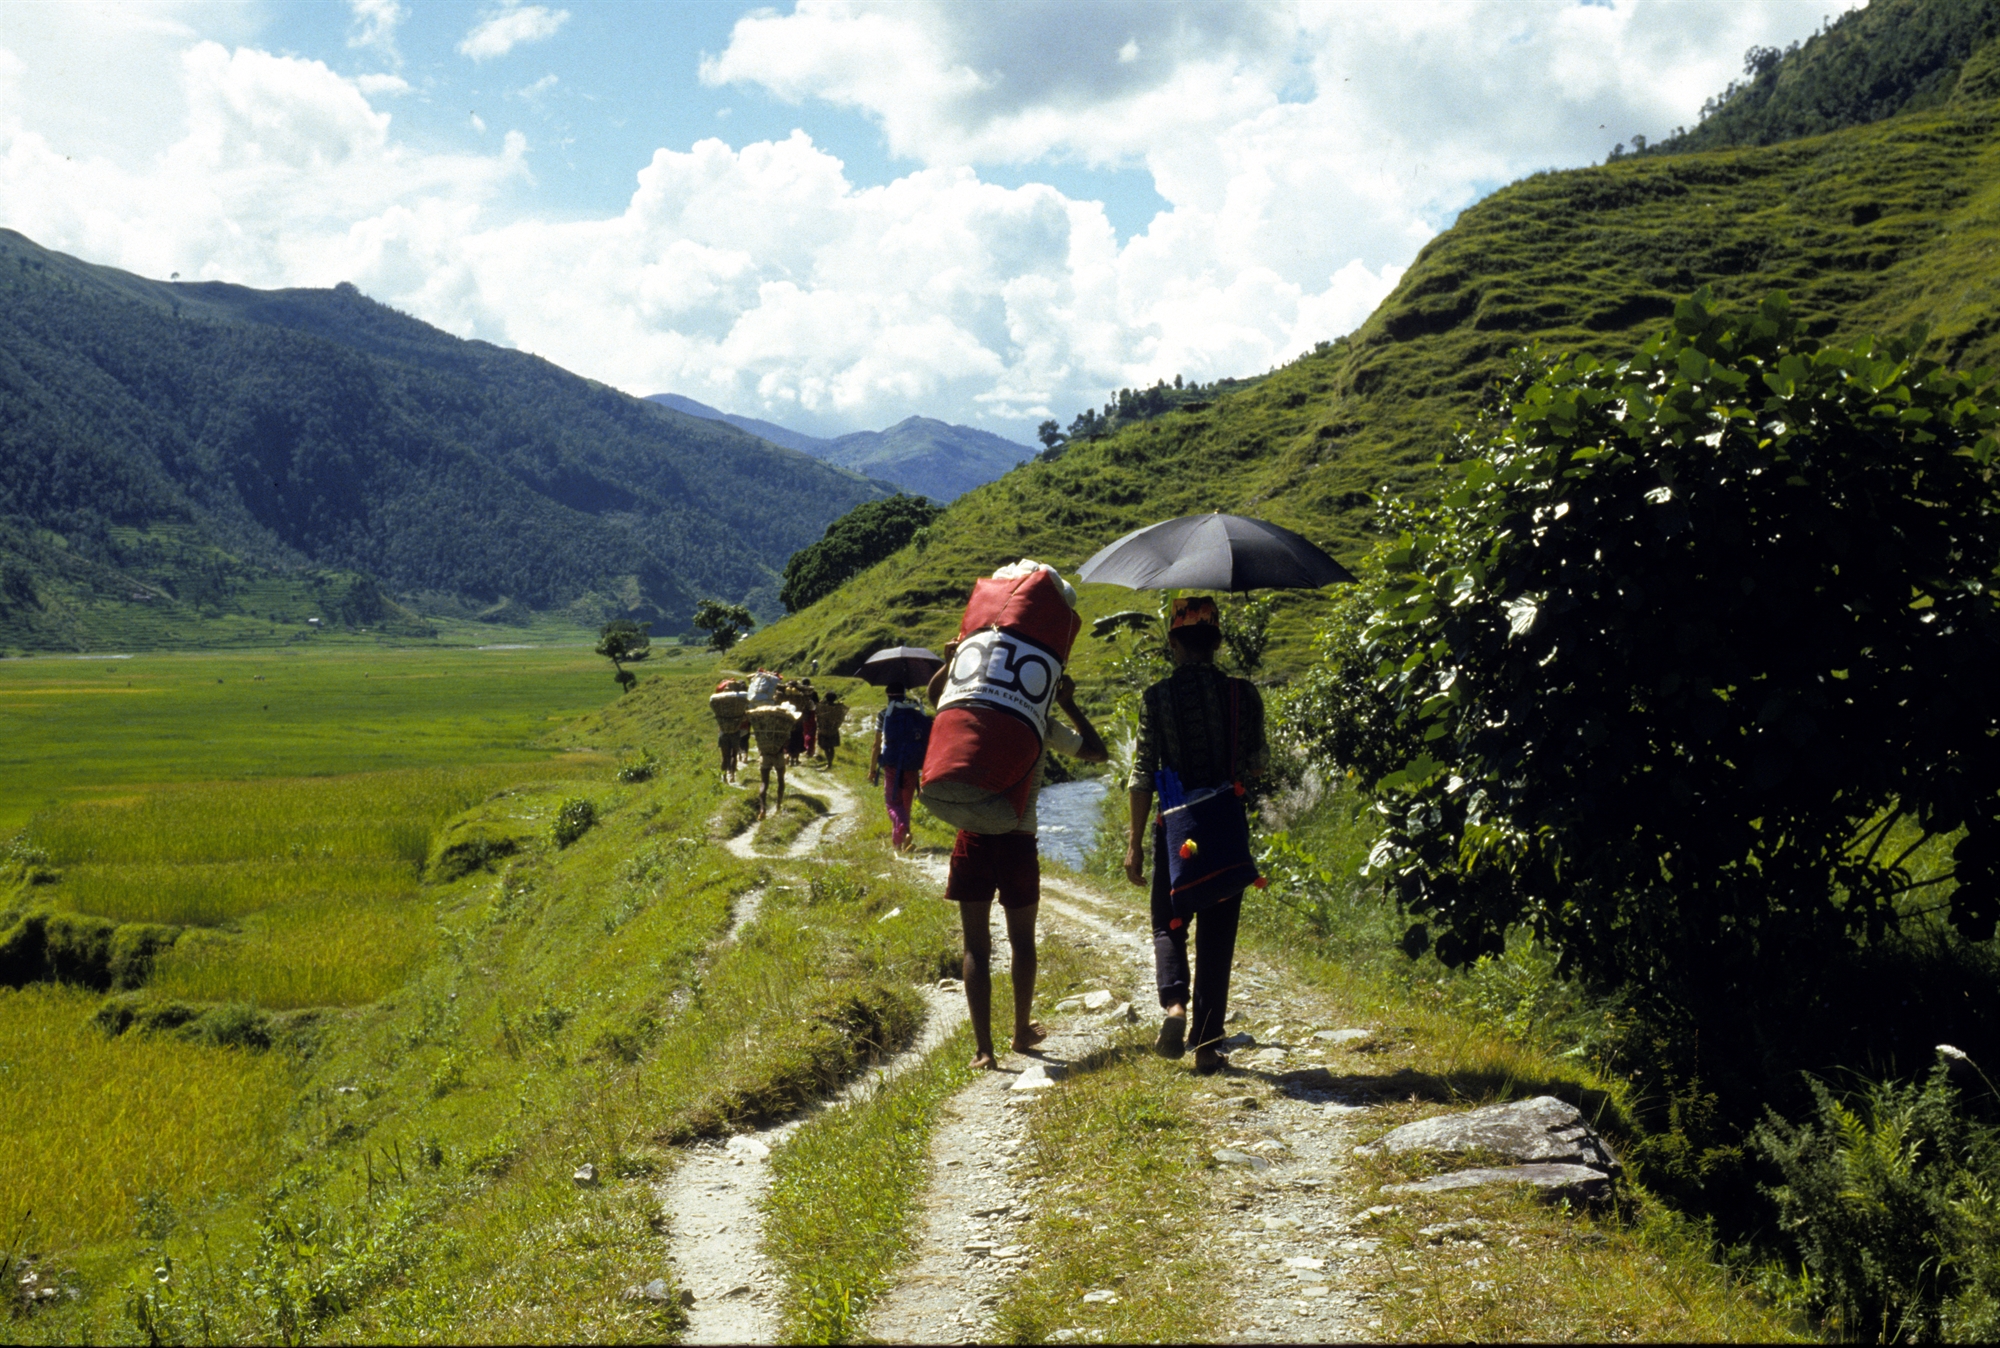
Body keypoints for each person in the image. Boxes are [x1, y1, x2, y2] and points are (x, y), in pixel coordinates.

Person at [927, 649, 1108, 1070]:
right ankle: (1021, 1029)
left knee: (975, 945)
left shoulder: (973, 709)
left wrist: (954, 662)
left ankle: (983, 1050)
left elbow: (935, 695)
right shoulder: (1040, 723)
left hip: (971, 836)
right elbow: (1096, 753)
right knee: (1022, 940)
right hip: (1018, 839)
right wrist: (1068, 702)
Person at [1123, 595, 1268, 1074]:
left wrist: (1133, 846)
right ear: (1218, 641)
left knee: (1169, 921)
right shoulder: (1242, 695)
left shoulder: (1156, 698)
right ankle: (1207, 1046)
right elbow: (1257, 763)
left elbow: (1142, 774)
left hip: (1177, 829)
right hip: (1224, 825)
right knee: (1218, 934)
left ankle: (1174, 1008)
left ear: (1174, 643)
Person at [869, 684, 928, 853]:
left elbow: (876, 744)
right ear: (903, 694)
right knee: (905, 805)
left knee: (892, 803)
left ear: (888, 695)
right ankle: (899, 843)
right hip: (912, 765)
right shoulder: (916, 713)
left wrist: (872, 769)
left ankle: (904, 831)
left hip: (892, 765)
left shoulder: (884, 714)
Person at [815, 691, 848, 769]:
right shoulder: (838, 708)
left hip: (823, 730)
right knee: (831, 747)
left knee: (824, 746)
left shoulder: (822, 707)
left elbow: (817, 712)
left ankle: (829, 761)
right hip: (833, 730)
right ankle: (830, 762)